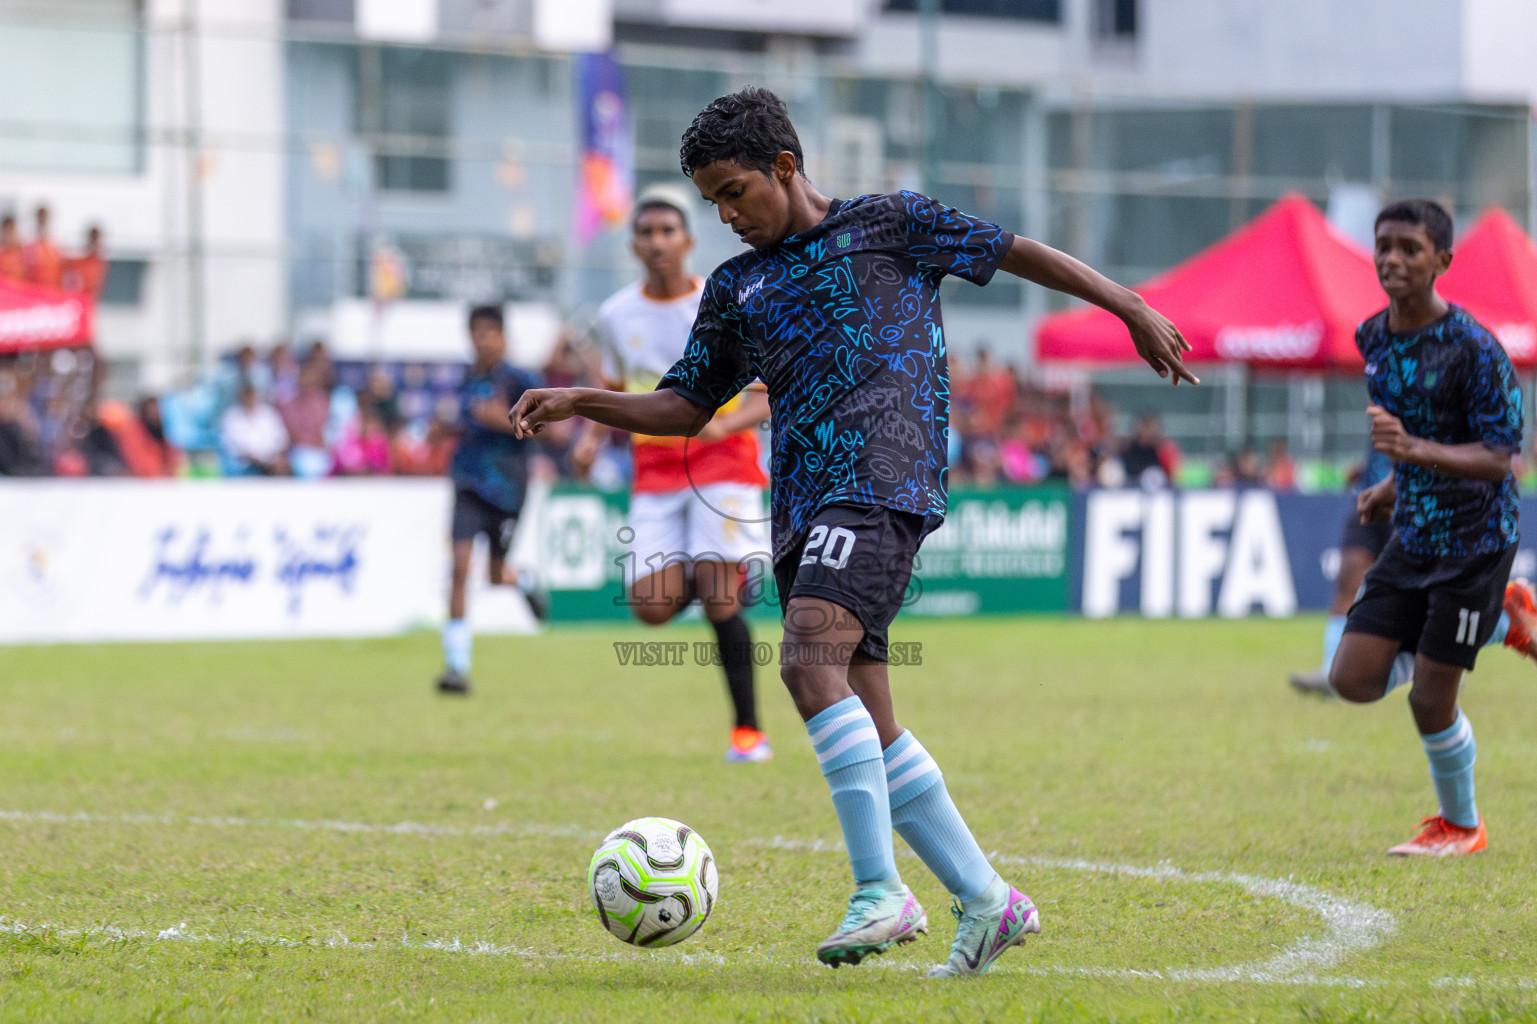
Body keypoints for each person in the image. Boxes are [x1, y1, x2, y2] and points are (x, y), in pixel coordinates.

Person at [509, 87, 1195, 976]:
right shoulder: (736, 285)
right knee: (867, 717)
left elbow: (1017, 253)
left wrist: (1126, 304)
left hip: (880, 480)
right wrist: (582, 400)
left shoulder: (890, 223)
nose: (723, 215)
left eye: (733, 193)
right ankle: (988, 902)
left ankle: (880, 891)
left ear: (784, 167)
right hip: (800, 503)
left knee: (804, 663)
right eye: (711, 201)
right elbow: (686, 404)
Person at [1328, 198, 1536, 857]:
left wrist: (1411, 455)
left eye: (1408, 248)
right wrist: (1391, 486)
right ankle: (1504, 619)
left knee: (1427, 701)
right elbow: (1415, 429)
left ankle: (1460, 825)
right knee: (1351, 681)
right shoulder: (1373, 338)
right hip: (1413, 534)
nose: (1391, 258)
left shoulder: (1475, 349)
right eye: (1382, 245)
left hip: (1475, 543)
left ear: (1441, 261)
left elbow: (1500, 458)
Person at [573, 186, 775, 764]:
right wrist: (590, 438)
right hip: (654, 468)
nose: (657, 242)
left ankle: (748, 734)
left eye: (668, 231)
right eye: (646, 232)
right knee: (651, 607)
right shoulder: (615, 314)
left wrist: (723, 425)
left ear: (687, 240)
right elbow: (615, 392)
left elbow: (768, 392)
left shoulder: (724, 299)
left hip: (724, 464)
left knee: (715, 596)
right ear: (633, 244)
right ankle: (733, 575)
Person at [437, 305, 546, 695]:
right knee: (459, 569)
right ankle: (456, 667)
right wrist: (443, 428)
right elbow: (465, 421)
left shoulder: (521, 380)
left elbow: (545, 432)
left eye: (489, 332)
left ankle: (524, 580)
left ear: (502, 336)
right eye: (476, 333)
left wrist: (499, 419)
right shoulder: (467, 377)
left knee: (495, 574)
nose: (482, 340)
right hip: (467, 482)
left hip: (507, 488)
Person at [220, 383, 289, 476]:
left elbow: (282, 438)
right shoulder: (232, 417)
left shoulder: (268, 413)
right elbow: (233, 446)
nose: (250, 400)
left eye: (252, 396)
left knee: (283, 467)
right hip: (246, 463)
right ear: (242, 398)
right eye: (247, 397)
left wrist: (275, 456)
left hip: (271, 459)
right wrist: (258, 459)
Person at [23, 204, 62, 290]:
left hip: (50, 287)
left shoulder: (55, 241)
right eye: (41, 216)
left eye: (45, 216)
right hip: (32, 287)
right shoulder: (29, 239)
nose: (43, 219)